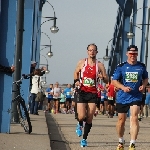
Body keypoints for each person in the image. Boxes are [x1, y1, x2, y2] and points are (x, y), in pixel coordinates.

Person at [112, 45, 148, 150]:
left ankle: (132, 143)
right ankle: (121, 140)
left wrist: (144, 85)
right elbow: (114, 81)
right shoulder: (121, 66)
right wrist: (122, 87)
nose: (133, 56)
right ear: (127, 54)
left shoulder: (141, 66)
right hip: (123, 97)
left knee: (134, 117)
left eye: (135, 54)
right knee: (121, 120)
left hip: (136, 96)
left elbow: (145, 78)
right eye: (131, 54)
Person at [74, 43, 108, 147]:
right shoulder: (82, 62)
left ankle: (84, 139)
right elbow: (76, 72)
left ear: (96, 52)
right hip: (82, 91)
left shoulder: (100, 65)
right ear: (87, 51)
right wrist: (76, 81)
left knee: (89, 117)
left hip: (93, 93)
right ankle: (79, 124)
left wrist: (102, 77)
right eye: (90, 50)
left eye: (94, 50)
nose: (92, 52)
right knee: (81, 116)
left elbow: (107, 79)